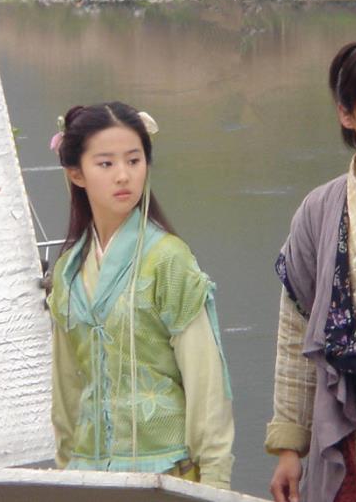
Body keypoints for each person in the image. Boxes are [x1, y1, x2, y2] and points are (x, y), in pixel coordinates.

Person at [46, 102, 234, 488]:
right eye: (106, 163)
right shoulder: (67, 272)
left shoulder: (168, 259)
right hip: (89, 472)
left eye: (134, 161)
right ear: (76, 174)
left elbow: (205, 378)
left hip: (166, 470)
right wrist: (66, 470)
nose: (123, 175)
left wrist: (214, 478)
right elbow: (67, 385)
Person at [267, 41, 356, 502]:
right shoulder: (321, 211)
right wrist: (290, 447)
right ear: (348, 114)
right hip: (350, 437)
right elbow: (296, 332)